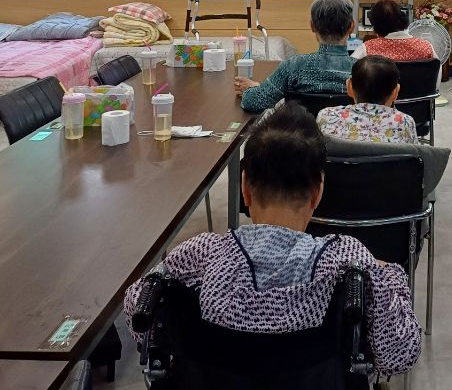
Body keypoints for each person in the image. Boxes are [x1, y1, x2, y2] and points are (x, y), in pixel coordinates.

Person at [124, 103, 421, 377]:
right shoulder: (348, 260)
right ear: (318, 191)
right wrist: (389, 275)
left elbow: (140, 315)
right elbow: (399, 354)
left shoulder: (198, 255)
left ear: (245, 188)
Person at [236, 0, 354, 113]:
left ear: (312, 26)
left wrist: (252, 88)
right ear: (351, 27)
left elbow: (254, 102)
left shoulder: (293, 66)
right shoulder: (363, 71)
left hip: (300, 130)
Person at [317, 55, 418, 144]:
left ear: (349, 87)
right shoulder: (405, 122)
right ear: (395, 93)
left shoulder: (326, 116)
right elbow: (414, 159)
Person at [351, 0, 437, 62]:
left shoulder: (366, 49)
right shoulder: (426, 47)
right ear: (403, 19)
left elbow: (350, 78)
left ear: (375, 26)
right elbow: (435, 81)